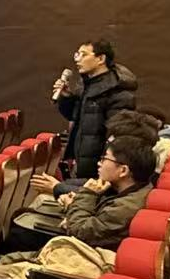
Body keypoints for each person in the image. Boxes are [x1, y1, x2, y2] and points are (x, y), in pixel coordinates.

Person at [0, 136, 157, 279]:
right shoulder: (127, 191)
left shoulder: (126, 206)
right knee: (4, 257)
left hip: (79, 262)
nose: (99, 163)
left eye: (105, 159)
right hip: (76, 250)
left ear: (123, 170)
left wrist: (86, 195)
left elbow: (80, 231)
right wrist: (76, 204)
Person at [53, 38, 136, 178]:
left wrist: (105, 165)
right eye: (77, 54)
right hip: (81, 159)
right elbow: (74, 116)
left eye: (84, 55)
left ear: (101, 59)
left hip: (99, 166)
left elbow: (118, 135)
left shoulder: (117, 91)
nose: (78, 60)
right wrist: (66, 98)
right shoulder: (86, 85)